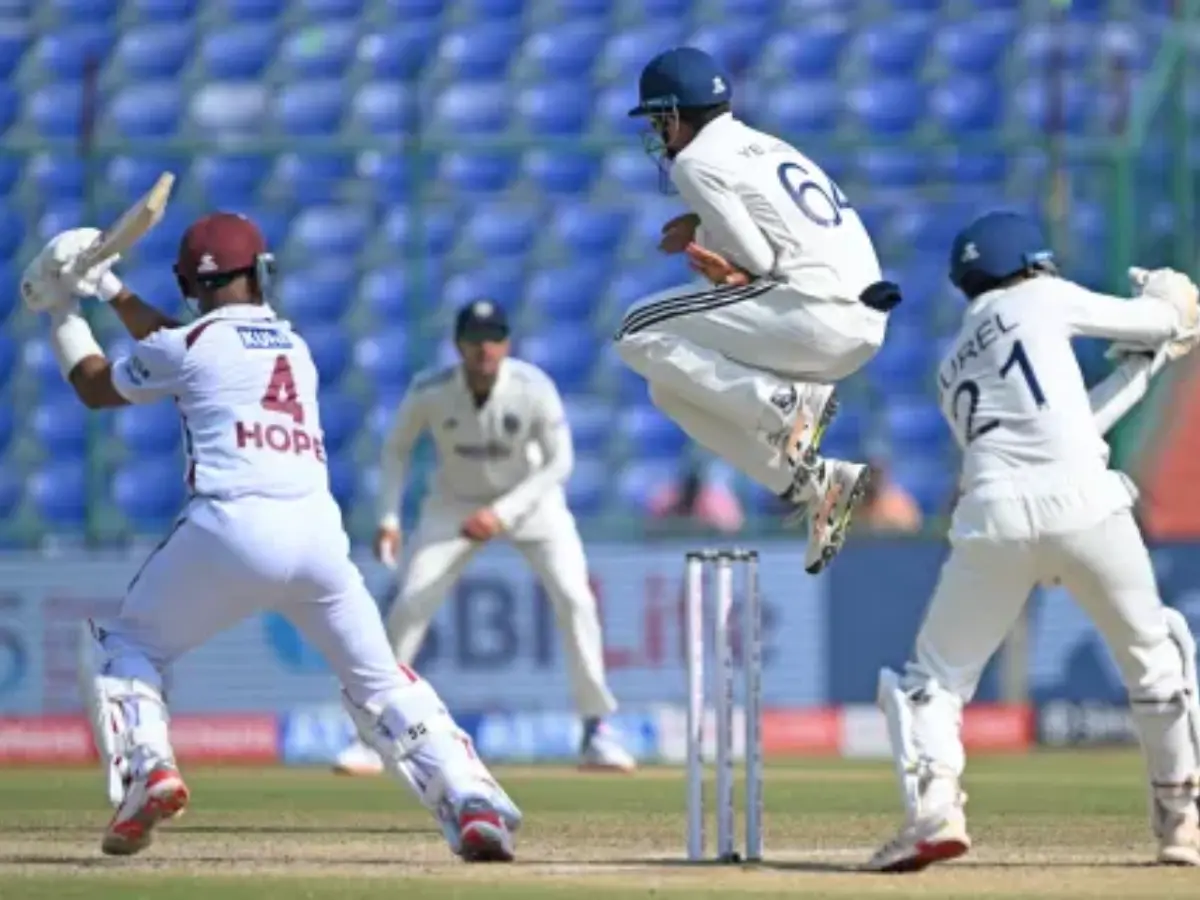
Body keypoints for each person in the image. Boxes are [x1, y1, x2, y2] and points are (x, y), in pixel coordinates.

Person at [20, 214, 520, 862]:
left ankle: (151, 768)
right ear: (258, 273)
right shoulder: (293, 344)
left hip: (229, 527)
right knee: (382, 684)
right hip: (317, 536)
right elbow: (182, 346)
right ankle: (468, 799)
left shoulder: (188, 345)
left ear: (190, 285)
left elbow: (99, 384)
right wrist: (110, 289)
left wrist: (62, 310)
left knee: (127, 645)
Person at [866, 211, 1200, 872]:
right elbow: (1160, 321)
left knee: (932, 680)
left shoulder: (951, 366)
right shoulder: (1042, 295)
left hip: (993, 517)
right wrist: (1169, 298)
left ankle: (935, 810)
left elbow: (1074, 423)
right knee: (1157, 660)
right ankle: (1182, 820)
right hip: (1088, 507)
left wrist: (1147, 366)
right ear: (1031, 260)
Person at [614, 46, 902, 574]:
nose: (658, 135)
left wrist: (719, 257)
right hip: (859, 317)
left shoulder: (695, 161)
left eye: (659, 120)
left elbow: (759, 259)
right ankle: (819, 489)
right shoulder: (764, 143)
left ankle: (786, 405)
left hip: (815, 311)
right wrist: (701, 230)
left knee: (635, 330)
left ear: (675, 114)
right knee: (669, 386)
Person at [332, 301, 635, 776]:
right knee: (410, 602)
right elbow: (396, 450)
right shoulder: (431, 391)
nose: (484, 349)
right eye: (474, 340)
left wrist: (503, 512)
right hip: (454, 503)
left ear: (507, 343)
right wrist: (389, 517)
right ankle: (370, 735)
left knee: (576, 600)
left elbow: (560, 463)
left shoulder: (533, 388)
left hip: (532, 505)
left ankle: (597, 729)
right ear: (458, 346)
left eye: (494, 338)